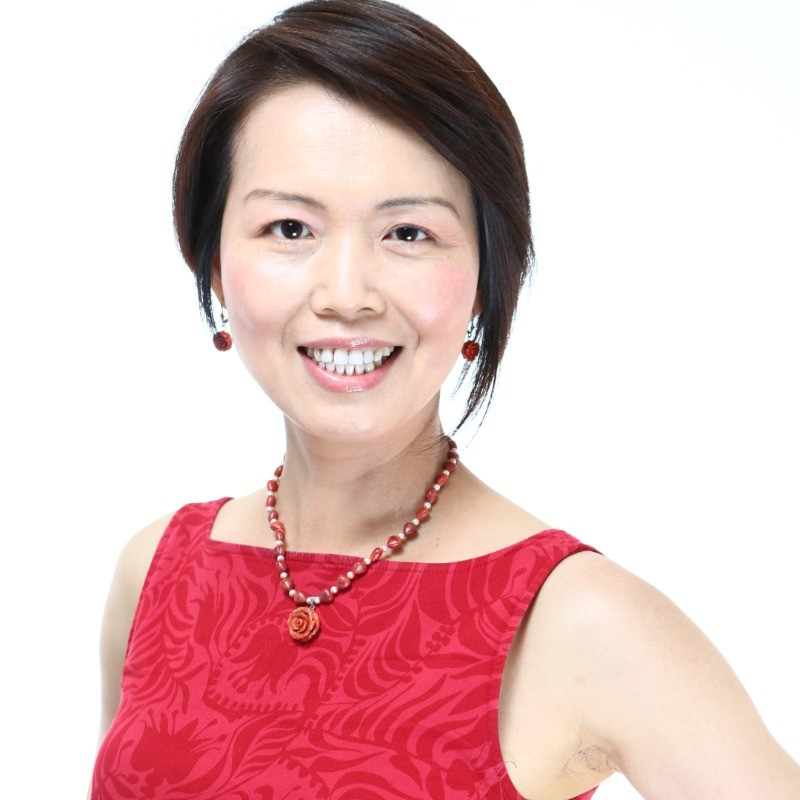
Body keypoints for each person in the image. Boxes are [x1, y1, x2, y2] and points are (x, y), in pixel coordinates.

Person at [88, 1, 800, 798]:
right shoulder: (154, 573)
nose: (346, 294)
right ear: (215, 263)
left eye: (408, 234)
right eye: (289, 229)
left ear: (488, 276)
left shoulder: (580, 619)